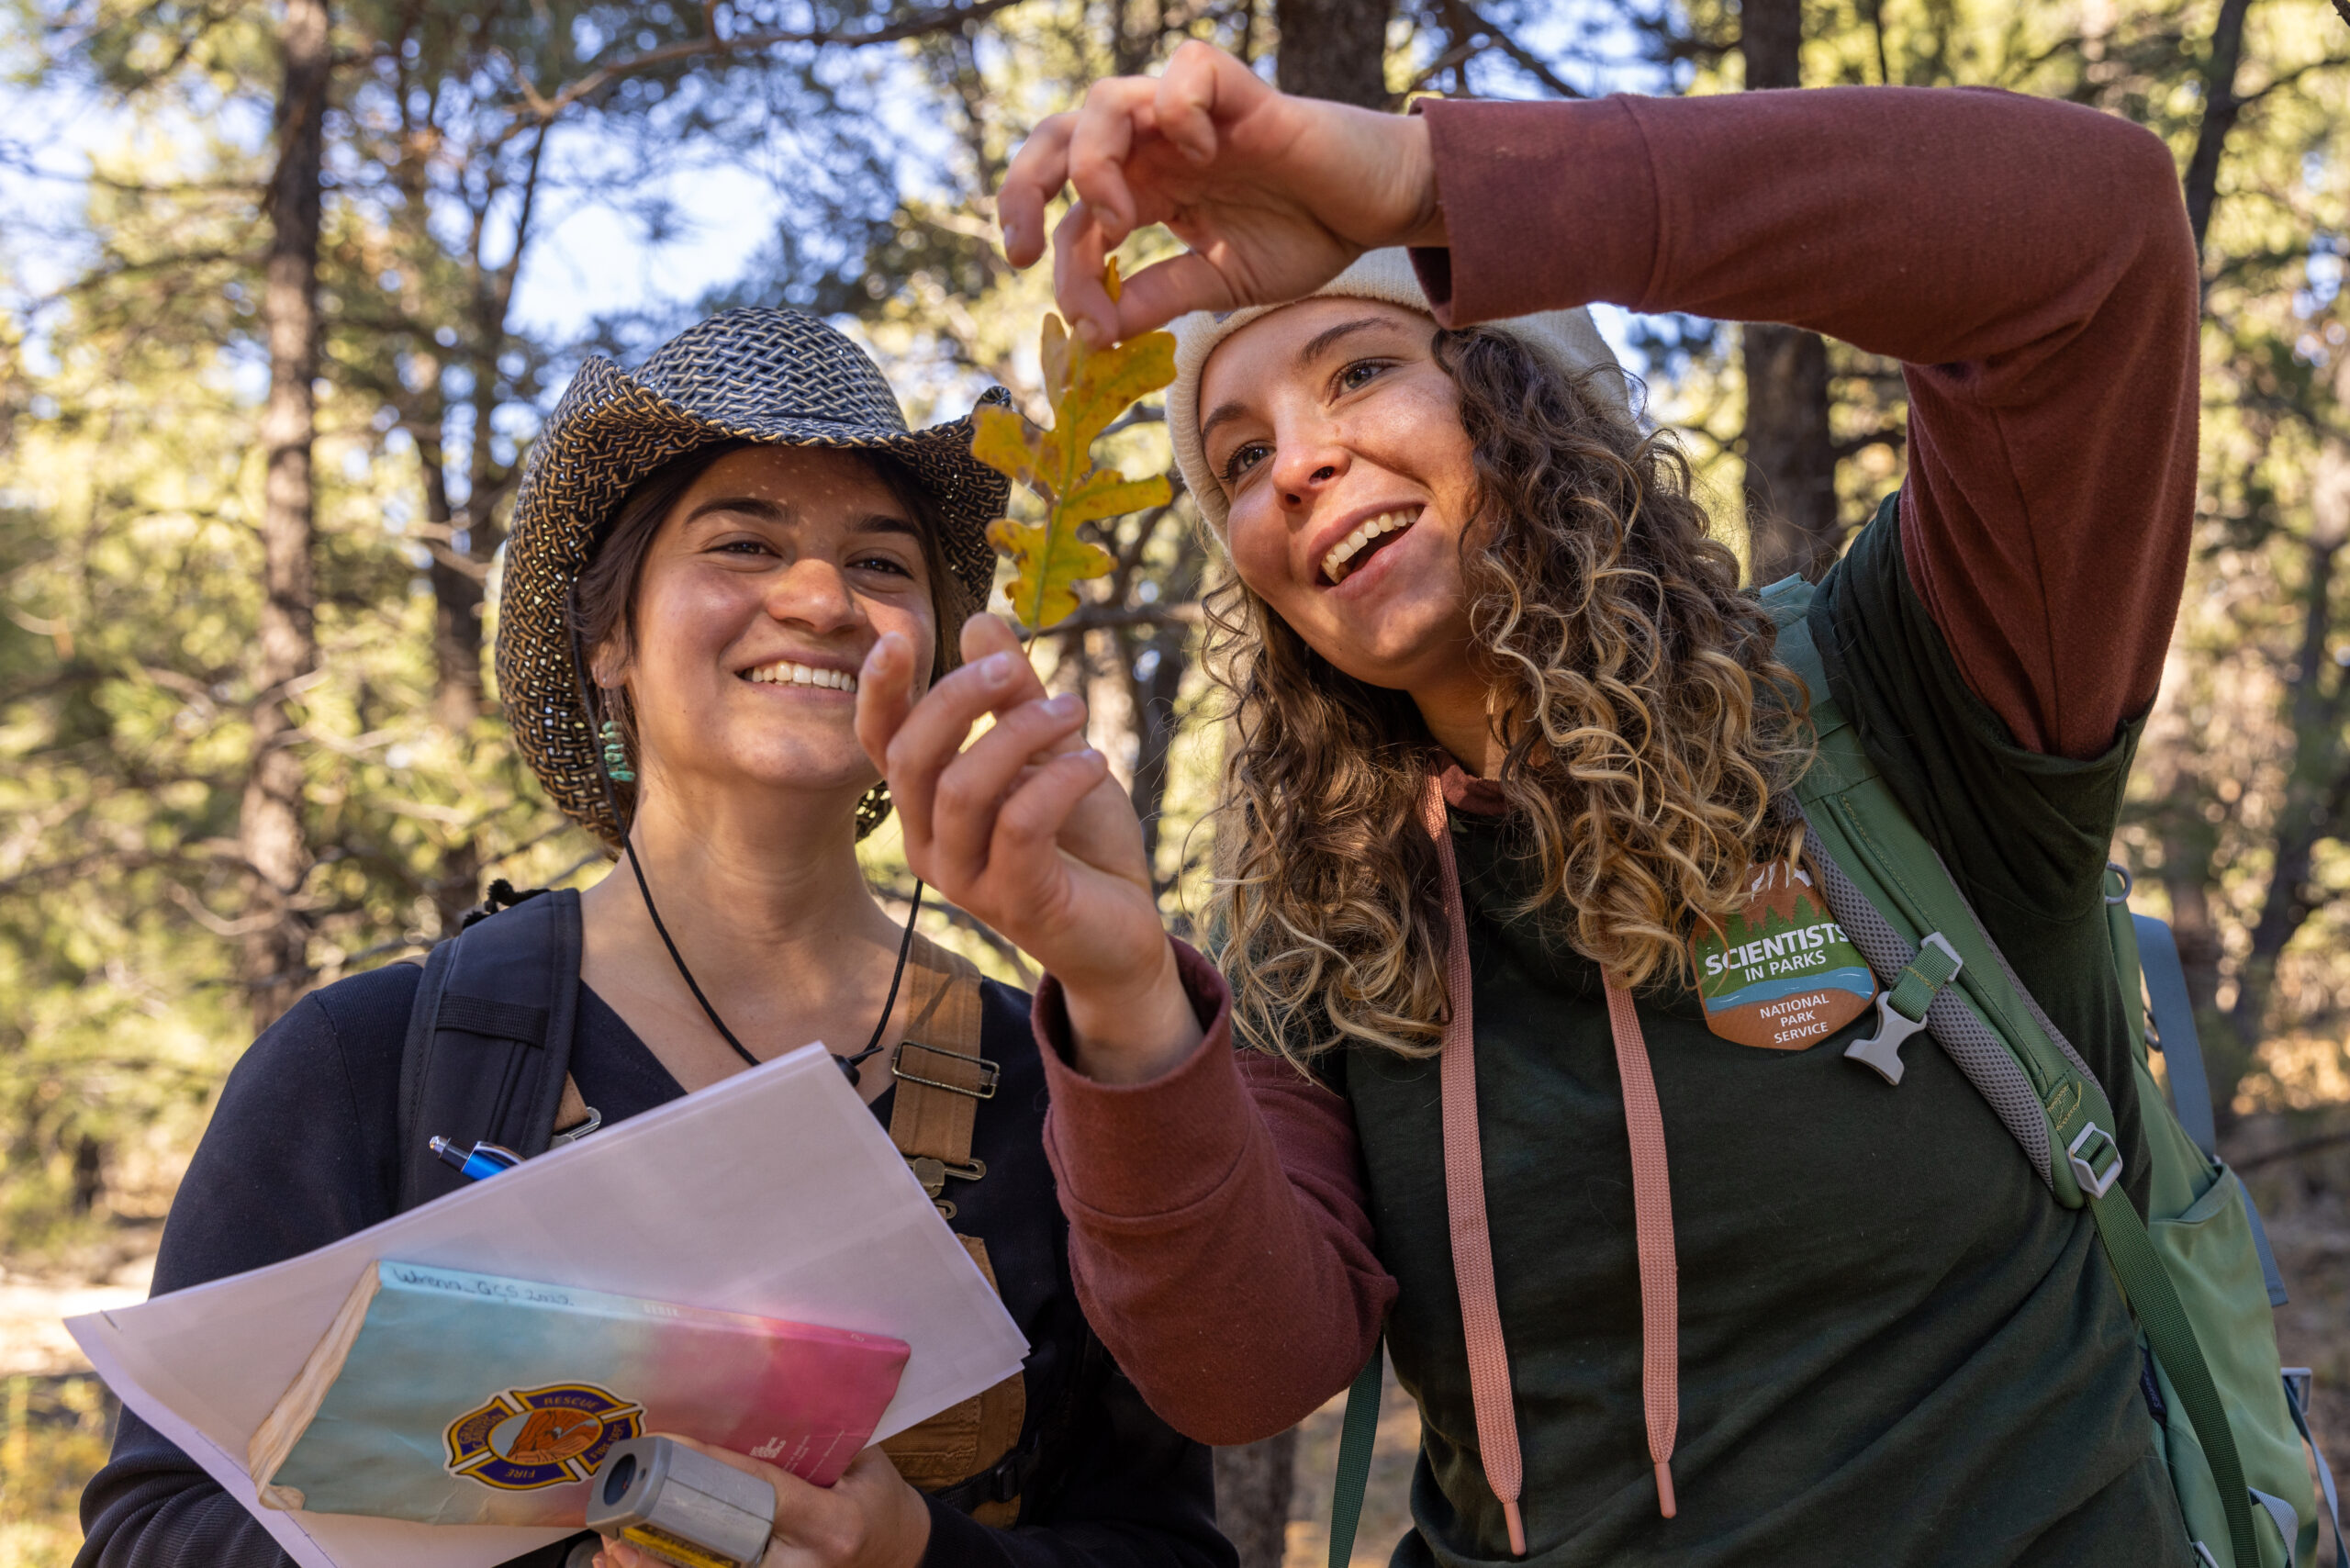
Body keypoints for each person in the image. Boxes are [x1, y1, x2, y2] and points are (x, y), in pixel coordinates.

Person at [856, 41, 2209, 1567]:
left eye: (1362, 369)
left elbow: (2091, 237)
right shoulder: (1325, 920)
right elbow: (1247, 1374)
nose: (1296, 465)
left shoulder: (1909, 693)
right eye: (1236, 460)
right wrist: (1114, 992)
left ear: (1530, 392)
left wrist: (1435, 183)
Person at [77, 309, 1232, 1568]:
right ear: (610, 636)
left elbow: (1165, 1545)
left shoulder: (1065, 1092)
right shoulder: (368, 1063)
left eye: (883, 565)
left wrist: (923, 1560)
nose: (818, 598)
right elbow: (153, 1528)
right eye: (743, 542)